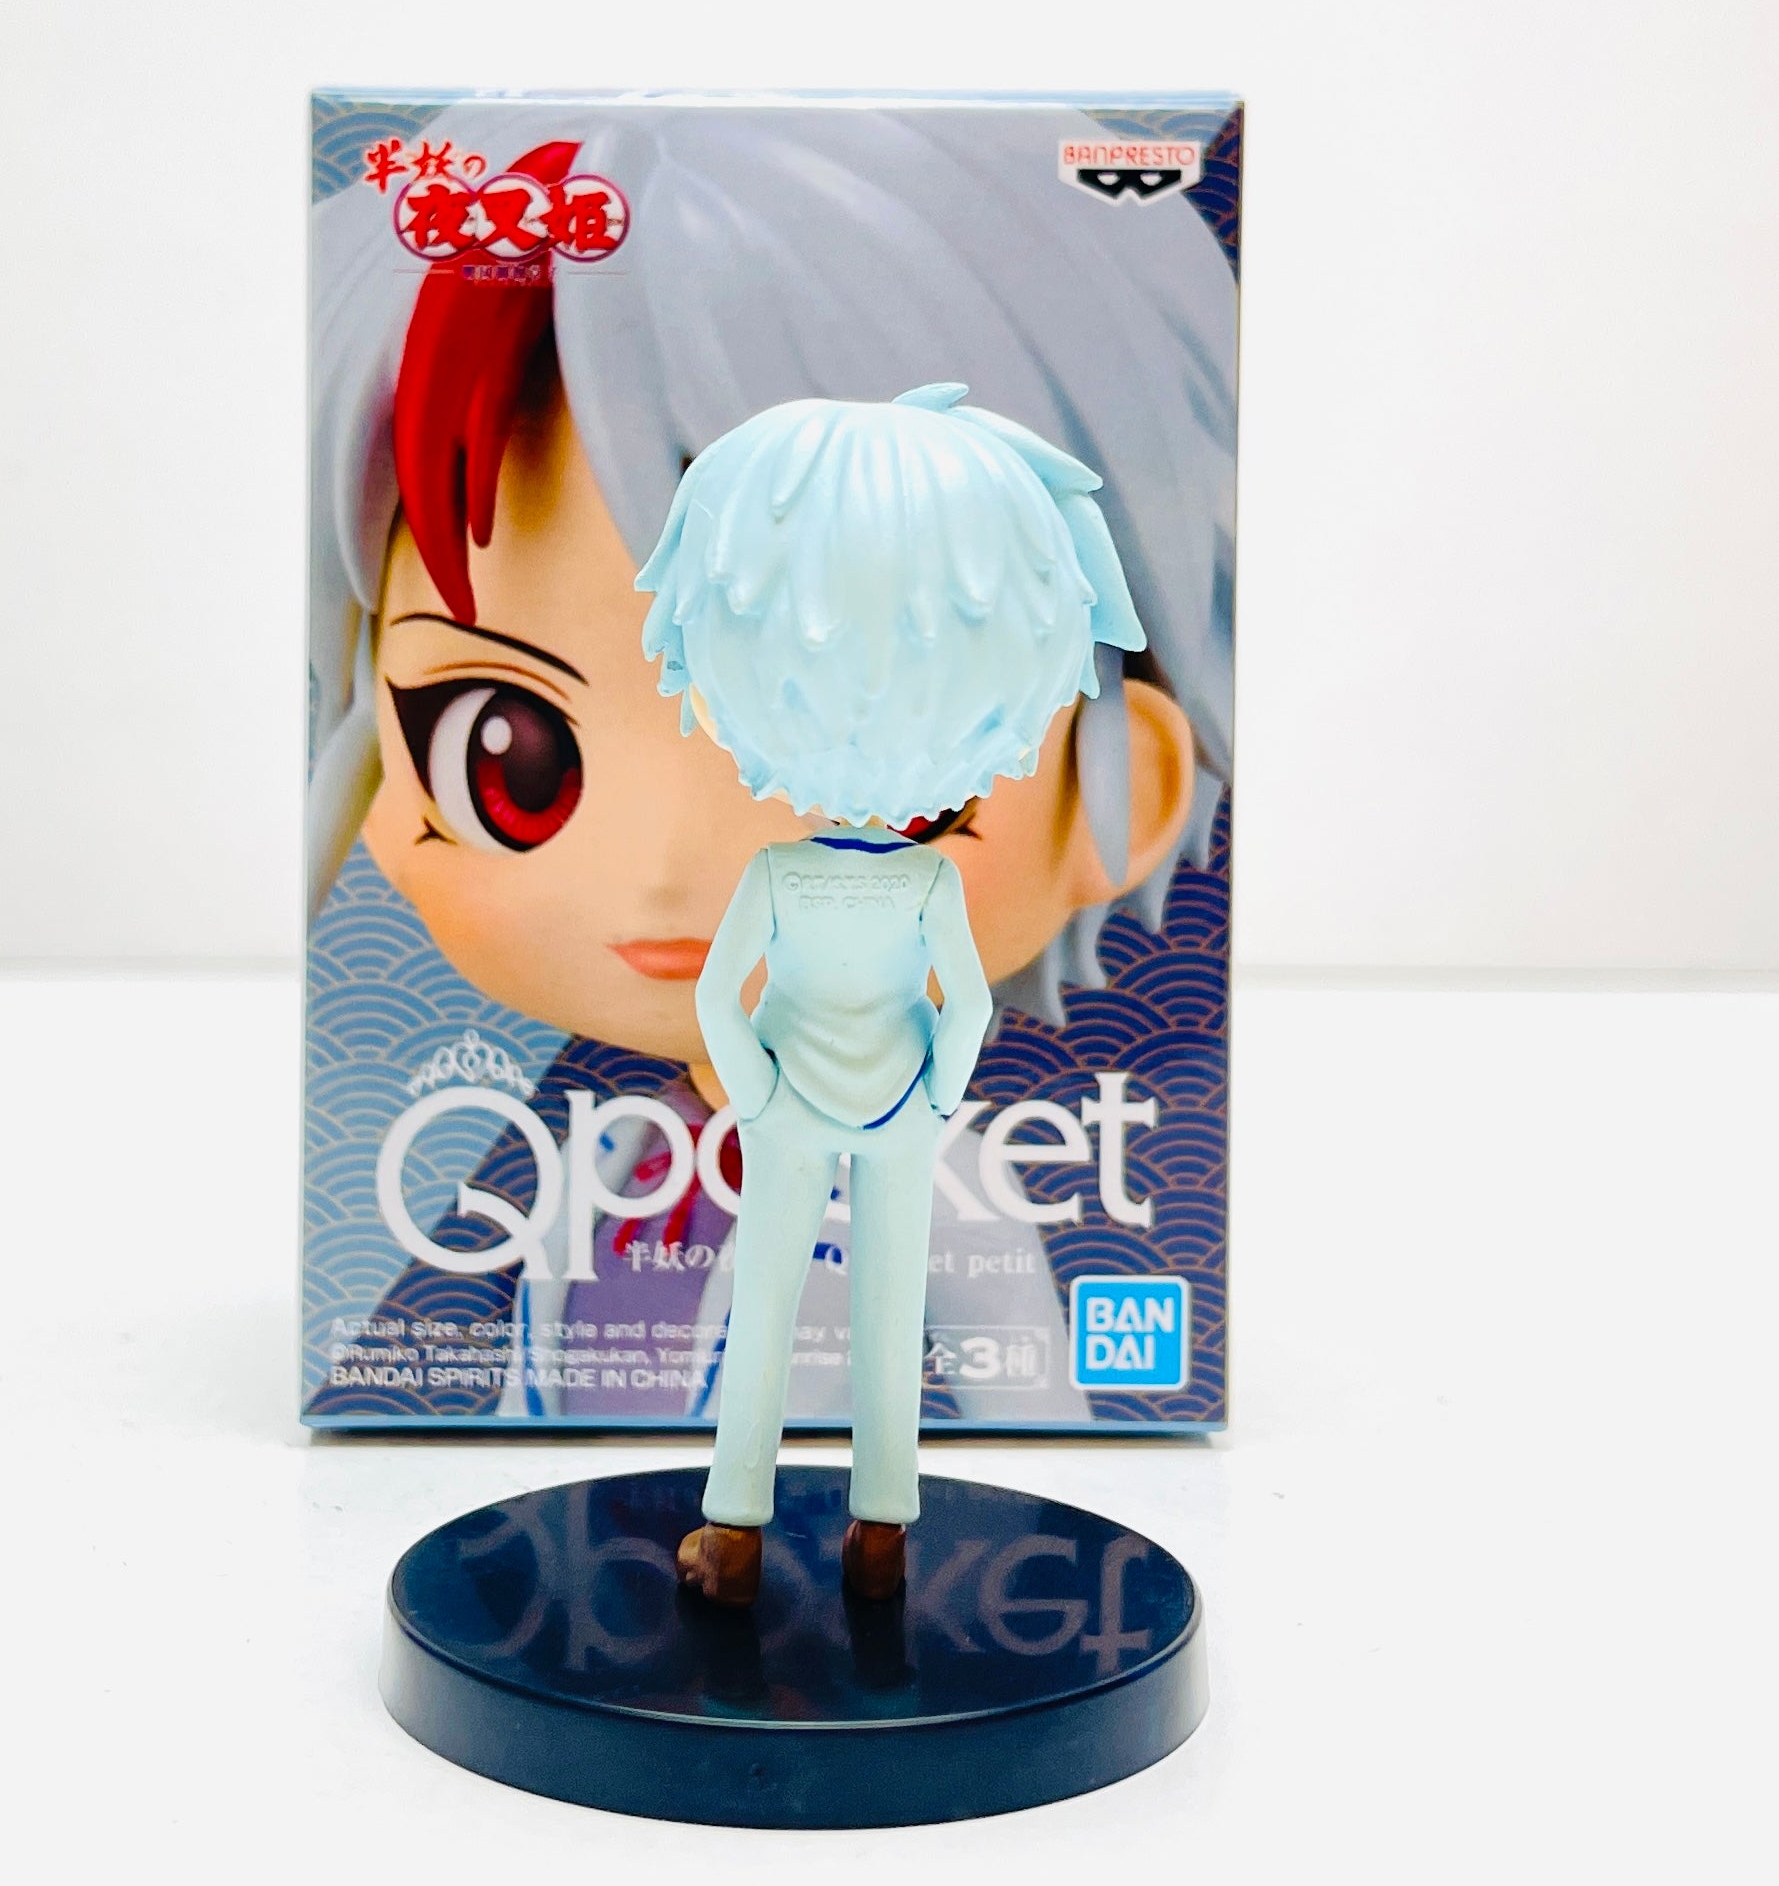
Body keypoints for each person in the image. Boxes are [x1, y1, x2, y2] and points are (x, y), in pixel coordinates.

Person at [304, 101, 1237, 1426]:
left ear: (1124, 793)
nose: (666, 868)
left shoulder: (945, 1180)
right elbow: (521, 1382)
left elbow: (1040, 1409)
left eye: (876, 743)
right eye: (509, 759)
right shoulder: (602, 1168)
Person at [642, 386, 1148, 1603]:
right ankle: (881, 1531)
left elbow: (718, 998)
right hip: (895, 1108)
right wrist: (928, 1102)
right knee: (888, 1314)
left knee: (763, 1312)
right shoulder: (927, 879)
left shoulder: (782, 874)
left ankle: (738, 1530)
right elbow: (965, 1006)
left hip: (797, 1105)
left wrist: (764, 1093)